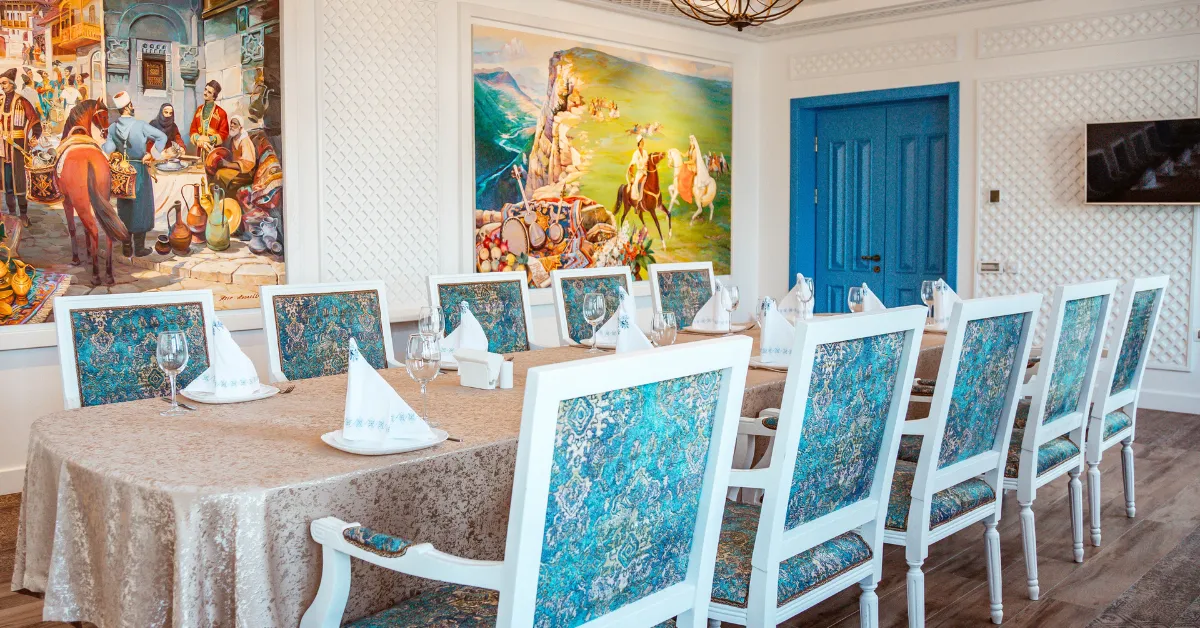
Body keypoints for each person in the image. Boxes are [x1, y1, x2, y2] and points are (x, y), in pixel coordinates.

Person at [102, 91, 167, 257]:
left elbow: (108, 149)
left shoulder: (112, 128)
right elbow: (162, 137)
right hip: (138, 170)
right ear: (129, 106)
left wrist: (110, 144)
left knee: (126, 208)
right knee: (141, 207)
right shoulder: (141, 125)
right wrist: (151, 154)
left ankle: (126, 247)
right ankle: (139, 248)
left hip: (123, 172)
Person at [0, 68, 40, 227]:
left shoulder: (22, 101)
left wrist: (35, 138)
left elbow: (35, 121)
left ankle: (23, 215)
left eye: (4, 83)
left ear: (11, 84)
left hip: (19, 149)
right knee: (7, 183)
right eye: (1, 84)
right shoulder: (0, 101)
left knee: (20, 182)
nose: (2, 86)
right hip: (3, 149)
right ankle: (11, 215)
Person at [215, 115, 256, 200]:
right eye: (231, 123)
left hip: (246, 173)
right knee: (218, 172)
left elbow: (248, 163)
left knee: (220, 174)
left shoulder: (245, 141)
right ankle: (222, 200)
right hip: (236, 170)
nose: (232, 125)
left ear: (240, 128)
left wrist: (228, 165)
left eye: (235, 124)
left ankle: (225, 200)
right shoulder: (233, 138)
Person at [189, 80, 228, 155]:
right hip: (200, 151)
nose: (205, 93)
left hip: (214, 152)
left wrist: (208, 139)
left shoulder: (221, 113)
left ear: (214, 97)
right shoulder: (199, 110)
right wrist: (199, 139)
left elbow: (224, 134)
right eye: (205, 90)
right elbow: (193, 130)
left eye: (209, 92)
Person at [626, 135, 648, 202]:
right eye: (642, 141)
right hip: (640, 172)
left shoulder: (645, 152)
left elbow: (648, 161)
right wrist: (632, 176)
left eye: (643, 141)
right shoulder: (636, 153)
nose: (643, 143)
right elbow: (632, 165)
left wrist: (647, 166)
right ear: (639, 143)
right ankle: (638, 200)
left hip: (646, 171)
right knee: (637, 182)